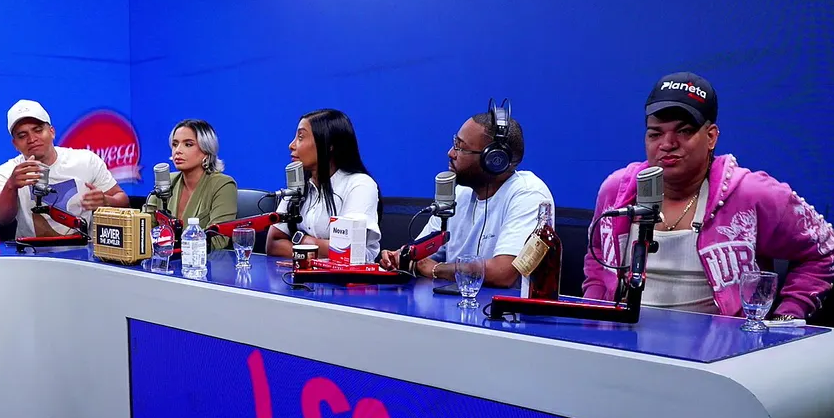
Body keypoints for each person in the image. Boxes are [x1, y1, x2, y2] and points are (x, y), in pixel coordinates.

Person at [582, 73, 834, 320]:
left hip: (723, 348)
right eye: (655, 133)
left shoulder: (752, 193)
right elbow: (597, 258)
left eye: (684, 131)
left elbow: (828, 248)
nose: (667, 143)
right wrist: (592, 315)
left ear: (711, 137)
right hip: (621, 342)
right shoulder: (616, 191)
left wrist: (788, 315)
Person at [377, 104, 554, 287]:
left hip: (503, 305)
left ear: (494, 160)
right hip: (451, 301)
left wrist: (436, 269)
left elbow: (502, 273)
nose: (450, 153)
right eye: (455, 143)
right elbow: (420, 258)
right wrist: (400, 257)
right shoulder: (459, 194)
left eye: (460, 147)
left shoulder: (529, 194)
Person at [0, 100, 128, 238]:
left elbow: (123, 202)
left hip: (84, 250)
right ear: (15, 144)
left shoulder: (87, 161)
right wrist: (11, 186)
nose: (32, 139)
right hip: (31, 250)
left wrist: (106, 202)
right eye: (22, 136)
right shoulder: (6, 172)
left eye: (38, 130)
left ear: (52, 132)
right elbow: (2, 219)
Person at [265, 109, 382, 263]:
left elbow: (347, 252)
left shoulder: (360, 185)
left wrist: (303, 241)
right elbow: (273, 244)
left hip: (346, 278)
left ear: (329, 145)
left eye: (301, 137)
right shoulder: (300, 185)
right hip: (303, 276)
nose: (291, 145)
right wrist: (315, 247)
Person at [144, 119, 238, 250]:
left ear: (206, 150)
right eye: (175, 144)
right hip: (163, 259)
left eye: (188, 144)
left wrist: (173, 248)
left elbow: (219, 239)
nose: (178, 151)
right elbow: (143, 229)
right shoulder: (166, 181)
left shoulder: (223, 185)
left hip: (202, 261)